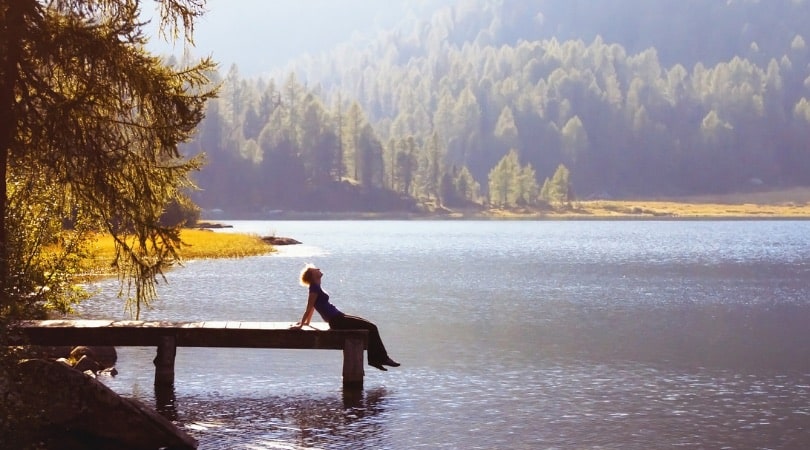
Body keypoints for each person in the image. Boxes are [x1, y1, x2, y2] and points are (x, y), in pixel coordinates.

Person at [292, 263, 400, 371]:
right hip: (337, 321)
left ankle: (376, 359)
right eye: (315, 269)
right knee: (372, 327)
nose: (318, 268)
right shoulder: (314, 288)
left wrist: (307, 323)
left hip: (339, 317)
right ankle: (381, 359)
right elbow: (309, 306)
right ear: (312, 275)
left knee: (371, 326)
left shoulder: (316, 286)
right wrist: (302, 324)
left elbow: (313, 307)